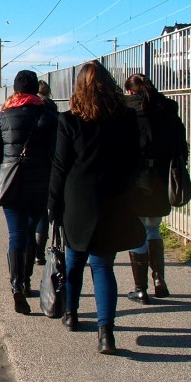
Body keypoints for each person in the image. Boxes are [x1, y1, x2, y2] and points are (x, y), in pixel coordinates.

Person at [48, 61, 144, 355]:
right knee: (103, 266)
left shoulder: (69, 121)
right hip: (113, 200)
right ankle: (106, 333)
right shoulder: (126, 118)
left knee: (75, 260)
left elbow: (60, 166)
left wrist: (53, 203)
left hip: (77, 200)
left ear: (78, 87)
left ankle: (72, 314)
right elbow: (135, 161)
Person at [0, 70, 58, 314]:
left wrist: (3, 176)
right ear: (35, 90)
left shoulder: (2, 117)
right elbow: (55, 154)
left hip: (12, 183)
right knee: (30, 231)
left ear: (15, 90)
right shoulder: (48, 116)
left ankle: (16, 285)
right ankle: (26, 281)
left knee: (16, 234)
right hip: (39, 183)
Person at [123, 73, 189, 302]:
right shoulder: (168, 110)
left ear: (131, 91)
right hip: (162, 176)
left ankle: (140, 288)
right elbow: (181, 145)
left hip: (136, 178)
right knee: (153, 228)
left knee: (138, 231)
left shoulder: (127, 111)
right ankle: (159, 279)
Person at [32, 80, 60, 265]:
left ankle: (29, 252)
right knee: (43, 211)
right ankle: (39, 254)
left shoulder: (28, 110)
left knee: (27, 212)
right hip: (49, 167)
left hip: (28, 166)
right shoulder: (54, 113)